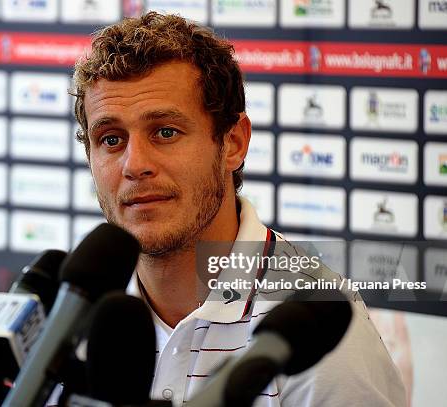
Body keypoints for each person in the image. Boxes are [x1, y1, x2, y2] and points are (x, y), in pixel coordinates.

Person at [71, 12, 406, 407]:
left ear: (233, 143)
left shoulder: (317, 333)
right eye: (111, 139)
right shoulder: (67, 319)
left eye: (165, 131)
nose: (134, 164)